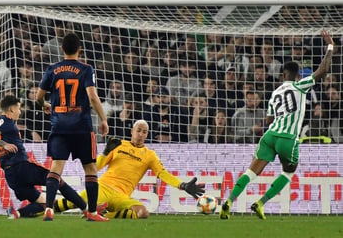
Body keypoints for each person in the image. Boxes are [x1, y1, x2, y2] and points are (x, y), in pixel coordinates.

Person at [219, 30, 334, 220]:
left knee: (251, 171)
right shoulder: (299, 86)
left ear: (283, 75)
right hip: (288, 138)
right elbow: (322, 72)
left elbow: (269, 120)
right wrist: (330, 47)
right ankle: (260, 203)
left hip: (269, 136)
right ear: (297, 75)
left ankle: (229, 201)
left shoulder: (275, 93)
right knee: (289, 172)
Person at [54, 119, 205, 219]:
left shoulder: (149, 155)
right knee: (71, 202)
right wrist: (106, 152)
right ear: (132, 131)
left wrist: (182, 185)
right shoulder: (118, 145)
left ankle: (105, 214)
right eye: (138, 130)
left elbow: (162, 173)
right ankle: (42, 208)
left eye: (144, 132)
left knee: (142, 212)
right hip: (103, 187)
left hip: (122, 196)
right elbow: (96, 167)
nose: (140, 134)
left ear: (147, 135)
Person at [36, 32, 109, 222]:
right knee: (90, 169)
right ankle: (92, 212)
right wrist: (103, 119)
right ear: (79, 49)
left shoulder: (52, 69)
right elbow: (92, 97)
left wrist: (44, 105)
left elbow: (37, 97)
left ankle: (49, 209)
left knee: (55, 168)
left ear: (62, 49)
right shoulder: (86, 69)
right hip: (82, 127)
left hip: (59, 126)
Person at [0, 95, 89, 220]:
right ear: (11, 109)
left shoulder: (0, 123)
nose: (20, 112)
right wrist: (4, 144)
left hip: (11, 175)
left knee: (43, 203)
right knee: (55, 179)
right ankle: (86, 209)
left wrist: (2, 143)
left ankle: (16, 213)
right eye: (18, 108)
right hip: (22, 167)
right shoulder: (5, 121)